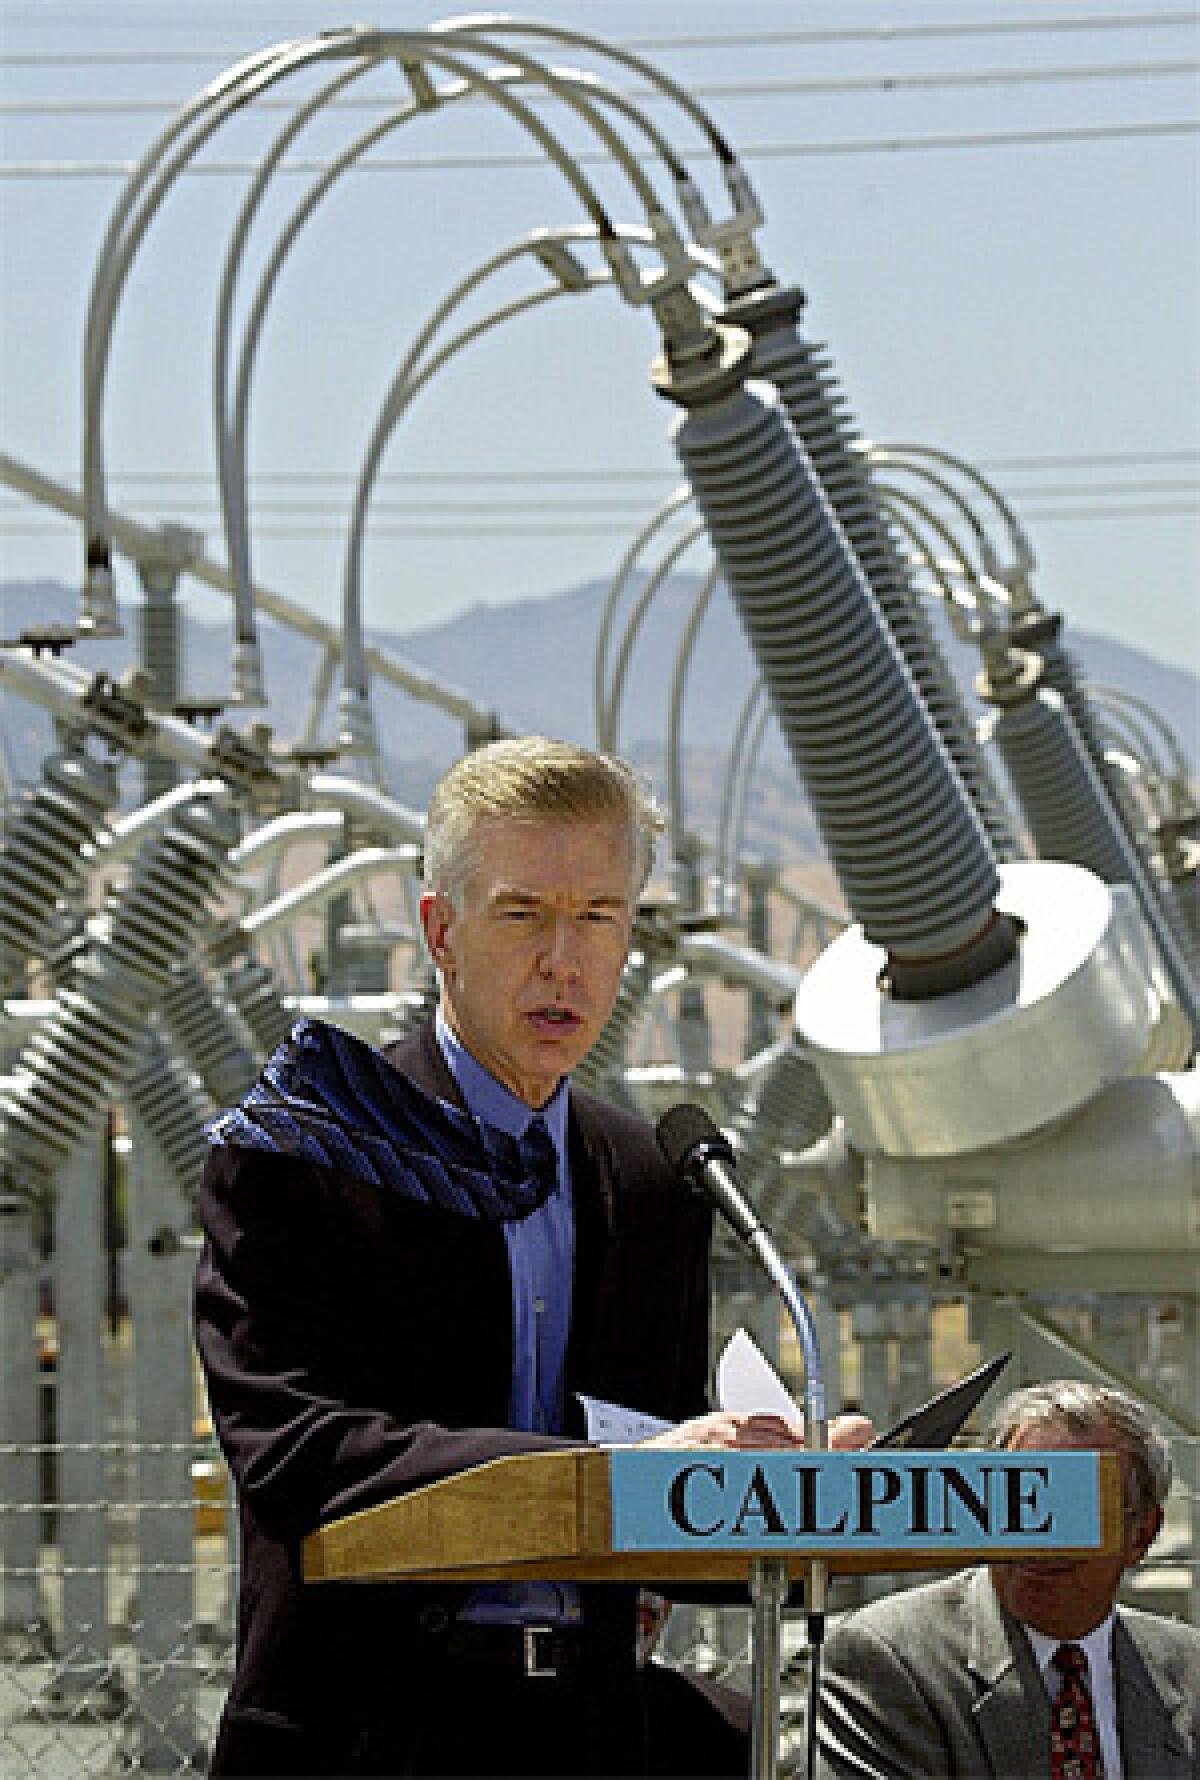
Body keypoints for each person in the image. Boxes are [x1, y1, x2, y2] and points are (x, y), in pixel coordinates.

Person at [195, 736, 869, 1779]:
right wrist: (597, 1478)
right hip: (370, 1737)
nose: (566, 960)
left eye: (599, 917)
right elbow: (294, 1454)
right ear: (440, 931)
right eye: (524, 914)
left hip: (589, 1730)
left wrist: (788, 1488)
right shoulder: (307, 1151)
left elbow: (659, 1499)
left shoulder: (651, 1178)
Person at [814, 1379, 1199, 1779]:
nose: (1038, 1539)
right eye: (1016, 1502)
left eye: (1071, 1510)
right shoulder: (887, 1659)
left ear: (1141, 1534)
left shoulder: (1188, 1669)